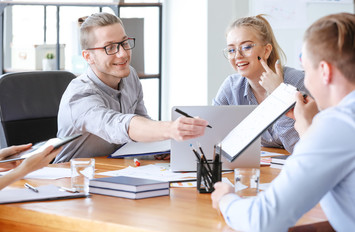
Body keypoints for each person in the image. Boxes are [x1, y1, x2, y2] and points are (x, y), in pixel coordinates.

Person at [211, 12, 355, 232]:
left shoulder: (338, 123)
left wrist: (226, 199)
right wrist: (309, 133)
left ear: (324, 71)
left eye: (307, 69)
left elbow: (262, 221)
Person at [54, 12, 208, 163]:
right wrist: (170, 130)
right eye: (110, 47)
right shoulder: (79, 95)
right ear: (88, 56)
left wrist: (159, 148)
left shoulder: (129, 75)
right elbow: (118, 125)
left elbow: (142, 120)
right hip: (71, 177)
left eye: (124, 43)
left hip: (113, 171)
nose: (122, 54)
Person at [213, 15, 306, 153]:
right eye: (231, 50)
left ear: (266, 50)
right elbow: (212, 135)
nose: (237, 55)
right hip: (258, 168)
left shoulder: (299, 82)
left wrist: (279, 94)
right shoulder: (231, 87)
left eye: (246, 47)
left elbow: (300, 147)